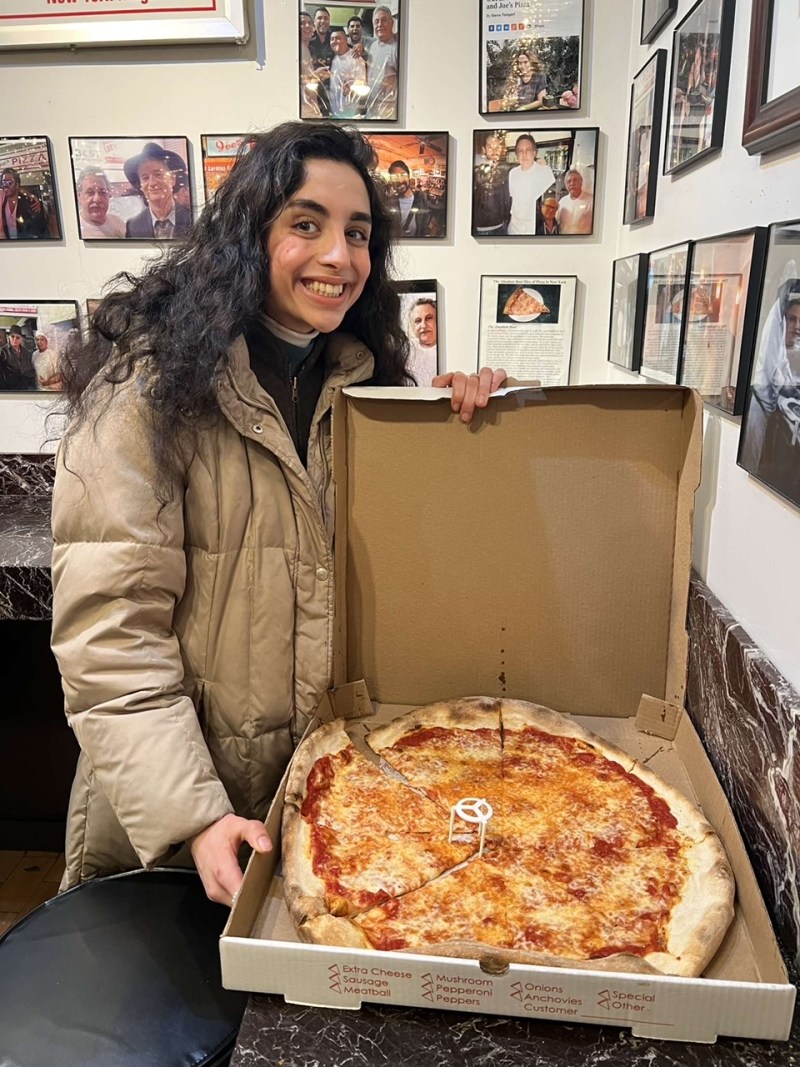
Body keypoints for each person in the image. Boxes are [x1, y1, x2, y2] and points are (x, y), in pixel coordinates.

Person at [50, 122, 506, 905]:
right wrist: (193, 816)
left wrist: (461, 425)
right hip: (174, 827)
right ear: (245, 236)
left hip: (317, 804)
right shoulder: (145, 389)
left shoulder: (368, 388)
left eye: (357, 233)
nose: (339, 255)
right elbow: (109, 643)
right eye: (306, 224)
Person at [742, 279, 800, 479]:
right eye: (792, 319)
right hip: (759, 412)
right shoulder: (774, 331)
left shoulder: (788, 357)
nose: (797, 327)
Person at [123, 142, 193, 239]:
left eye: (158, 174)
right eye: (145, 178)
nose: (152, 183)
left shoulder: (193, 219)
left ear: (173, 179)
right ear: (141, 186)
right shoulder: (133, 226)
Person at [507, 135, 555, 236]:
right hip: (514, 228)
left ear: (534, 152)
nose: (524, 155)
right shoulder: (512, 173)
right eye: (520, 151)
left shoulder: (545, 171)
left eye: (528, 150)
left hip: (534, 229)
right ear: (516, 155)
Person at [472, 133, 510, 237]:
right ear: (484, 149)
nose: (494, 150)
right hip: (480, 230)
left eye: (497, 147)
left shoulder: (507, 170)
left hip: (503, 227)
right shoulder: (475, 172)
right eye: (490, 147)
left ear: (501, 150)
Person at [365, 6, 398, 119]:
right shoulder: (373, 46)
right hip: (371, 109)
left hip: (388, 112)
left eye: (384, 20)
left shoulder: (396, 48)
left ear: (391, 23)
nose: (380, 25)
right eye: (376, 21)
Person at [76, 167, 126, 239]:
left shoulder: (118, 224)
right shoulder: (74, 229)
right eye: (90, 193)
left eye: (102, 192)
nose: (97, 199)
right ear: (79, 196)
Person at [328, 25, 367, 118]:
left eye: (338, 38)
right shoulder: (334, 57)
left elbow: (362, 87)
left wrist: (350, 92)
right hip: (334, 112)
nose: (334, 41)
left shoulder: (356, 59)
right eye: (332, 39)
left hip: (350, 114)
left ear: (346, 40)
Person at [0, 167, 49, 239]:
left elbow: (40, 231)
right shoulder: (2, 197)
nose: (5, 185)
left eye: (9, 182)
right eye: (3, 182)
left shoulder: (31, 204)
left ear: (17, 185)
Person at [385, 159, 429, 237]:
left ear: (409, 177)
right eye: (395, 177)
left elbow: (424, 224)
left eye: (403, 175)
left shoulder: (421, 197)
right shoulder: (389, 203)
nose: (400, 180)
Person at [556, 169, 594, 235]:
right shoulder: (562, 202)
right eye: (569, 181)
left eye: (575, 180)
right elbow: (556, 222)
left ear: (581, 182)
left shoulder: (591, 200)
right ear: (566, 185)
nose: (572, 183)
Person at [0, 325, 36, 390]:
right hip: (10, 388)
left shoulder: (27, 353)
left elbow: (31, 371)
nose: (15, 339)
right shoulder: (2, 352)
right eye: (12, 336)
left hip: (26, 387)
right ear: (9, 337)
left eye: (17, 337)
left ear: (22, 339)